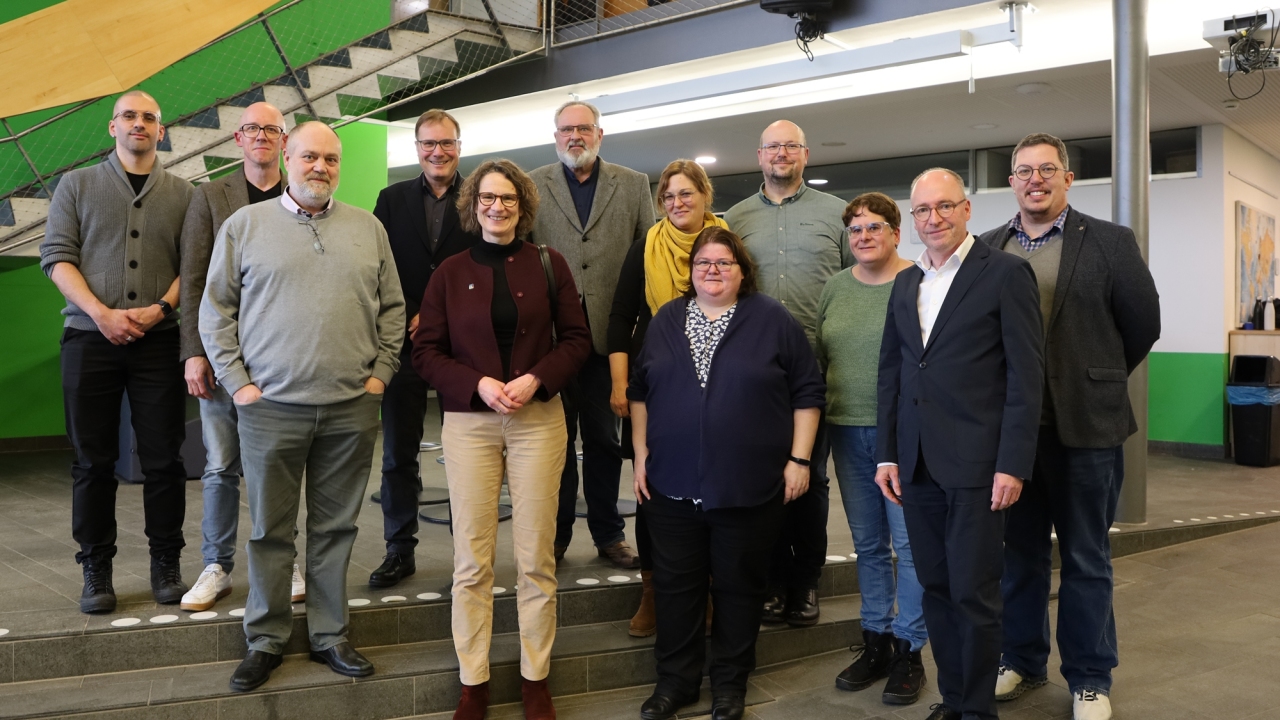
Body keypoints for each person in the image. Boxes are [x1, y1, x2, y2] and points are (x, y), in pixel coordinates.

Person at [201, 121, 405, 692]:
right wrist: (239, 385)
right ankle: (264, 639)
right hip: (270, 408)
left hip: (350, 408)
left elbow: (394, 308)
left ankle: (329, 634)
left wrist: (381, 375)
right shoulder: (245, 226)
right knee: (270, 530)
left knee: (337, 528)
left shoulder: (368, 229)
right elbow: (215, 310)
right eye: (310, 156)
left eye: (332, 159)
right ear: (287, 158)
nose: (321, 167)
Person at [982, 134, 1160, 720]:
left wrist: (1094, 375)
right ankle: (1022, 660)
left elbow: (1142, 325)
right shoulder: (987, 247)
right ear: (1011, 181)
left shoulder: (1109, 241)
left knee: (1086, 557)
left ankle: (1089, 678)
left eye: (1047, 169)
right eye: (1024, 170)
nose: (1035, 179)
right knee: (1019, 555)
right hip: (1012, 435)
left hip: (1086, 428)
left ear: (1068, 177)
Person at [413, 159, 591, 720]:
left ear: (523, 205)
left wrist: (537, 378)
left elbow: (578, 339)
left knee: (536, 557)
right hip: (470, 421)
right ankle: (475, 680)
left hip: (538, 419)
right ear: (472, 205)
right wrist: (479, 383)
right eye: (487, 198)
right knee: (472, 560)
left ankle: (535, 676)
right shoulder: (448, 272)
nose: (497, 207)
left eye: (508, 199)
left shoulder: (550, 263)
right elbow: (425, 352)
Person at [628, 227, 825, 720]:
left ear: (743, 270)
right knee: (675, 591)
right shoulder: (666, 320)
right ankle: (675, 683)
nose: (712, 270)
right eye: (703, 263)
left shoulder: (772, 318)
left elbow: (807, 392)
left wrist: (799, 460)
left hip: (748, 486)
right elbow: (639, 392)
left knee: (739, 590)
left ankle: (730, 686)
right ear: (690, 271)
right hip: (671, 486)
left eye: (724, 262)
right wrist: (641, 454)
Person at [875, 168, 1043, 720]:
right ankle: (954, 700)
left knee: (974, 592)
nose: (934, 219)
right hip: (917, 465)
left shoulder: (1005, 274)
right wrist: (888, 453)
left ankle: (977, 710)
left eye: (944, 206)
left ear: (967, 209)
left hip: (978, 465)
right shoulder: (905, 281)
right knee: (937, 587)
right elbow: (893, 374)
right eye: (923, 211)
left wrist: (1013, 464)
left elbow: (1025, 376)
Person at [40, 90, 193, 614]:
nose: (139, 124)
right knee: (92, 461)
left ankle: (166, 562)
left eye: (149, 117)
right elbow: (57, 258)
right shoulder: (76, 185)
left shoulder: (183, 194)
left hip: (159, 341)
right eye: (129, 116)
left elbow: (192, 269)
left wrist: (160, 310)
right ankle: (96, 567)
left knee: (164, 459)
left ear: (161, 129)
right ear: (112, 127)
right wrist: (101, 314)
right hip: (89, 339)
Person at [178, 102, 305, 612]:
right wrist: (194, 352)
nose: (262, 137)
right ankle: (217, 566)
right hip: (223, 358)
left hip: (284, 361)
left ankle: (284, 560)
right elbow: (192, 280)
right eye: (253, 128)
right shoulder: (210, 197)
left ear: (284, 141)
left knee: (279, 466)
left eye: (271, 129)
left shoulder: (300, 196)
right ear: (238, 138)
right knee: (220, 465)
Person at [723, 120, 849, 627]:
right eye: (773, 146)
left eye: (791, 145)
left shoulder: (837, 215)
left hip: (814, 372)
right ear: (759, 155)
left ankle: (805, 582)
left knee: (810, 480)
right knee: (763, 483)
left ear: (806, 153)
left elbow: (854, 283)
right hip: (752, 375)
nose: (781, 153)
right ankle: (772, 581)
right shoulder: (735, 218)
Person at [529, 100, 654, 569]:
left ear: (600, 134)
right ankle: (556, 537)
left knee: (604, 441)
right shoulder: (534, 184)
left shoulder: (634, 184)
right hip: (551, 342)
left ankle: (608, 535)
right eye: (565, 130)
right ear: (555, 136)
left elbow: (646, 256)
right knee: (554, 444)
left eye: (583, 128)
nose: (574, 137)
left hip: (608, 343)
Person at [606, 159, 727, 638]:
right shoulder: (646, 247)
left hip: (718, 384)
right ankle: (653, 592)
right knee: (651, 490)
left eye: (686, 194)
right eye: (669, 197)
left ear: (705, 196)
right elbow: (620, 317)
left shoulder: (725, 246)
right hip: (653, 385)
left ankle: (711, 589)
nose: (677, 204)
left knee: (713, 485)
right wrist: (619, 383)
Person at [818, 192, 927, 705]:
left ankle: (910, 648)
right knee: (868, 545)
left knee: (908, 546)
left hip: (903, 436)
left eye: (874, 227)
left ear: (895, 231)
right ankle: (876, 640)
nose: (863, 236)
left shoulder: (918, 283)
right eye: (855, 229)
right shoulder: (835, 287)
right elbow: (820, 355)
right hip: (846, 429)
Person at [368, 108, 481, 589]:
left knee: (469, 453)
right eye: (428, 144)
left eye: (447, 143)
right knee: (398, 452)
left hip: (465, 349)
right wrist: (415, 313)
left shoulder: (481, 198)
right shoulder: (390, 201)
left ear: (460, 146)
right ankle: (399, 549)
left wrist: (439, 315)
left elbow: (486, 262)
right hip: (405, 344)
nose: (438, 152)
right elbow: (375, 266)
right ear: (417, 149)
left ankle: (469, 551)